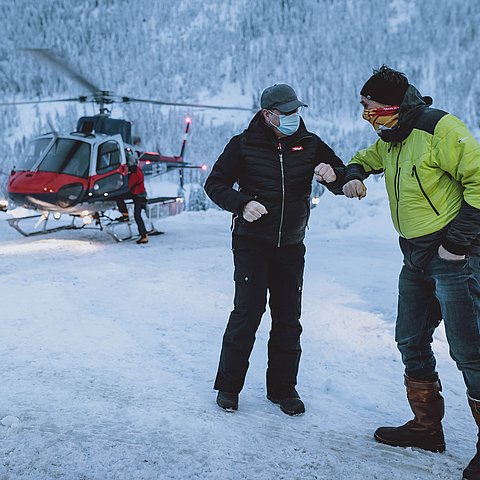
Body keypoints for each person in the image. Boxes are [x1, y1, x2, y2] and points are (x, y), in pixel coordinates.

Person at [343, 65, 480, 479]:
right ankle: (426, 427)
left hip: (456, 256)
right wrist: (353, 172)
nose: (366, 116)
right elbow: (369, 156)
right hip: (415, 257)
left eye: (369, 108)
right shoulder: (392, 137)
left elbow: (479, 182)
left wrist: (456, 245)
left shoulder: (439, 128)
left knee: (470, 351)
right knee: (410, 340)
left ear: (391, 104)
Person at [205, 84, 345, 415]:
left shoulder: (310, 145)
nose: (294, 117)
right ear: (268, 115)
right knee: (247, 313)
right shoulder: (243, 145)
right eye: (287, 113)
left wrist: (334, 174)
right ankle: (228, 387)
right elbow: (215, 184)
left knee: (288, 319)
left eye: (297, 111)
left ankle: (283, 390)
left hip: (291, 245)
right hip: (252, 244)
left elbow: (339, 176)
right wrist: (241, 204)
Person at [116, 148, 149, 244]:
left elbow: (129, 186)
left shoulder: (134, 174)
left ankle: (144, 236)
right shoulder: (137, 170)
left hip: (138, 196)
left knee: (137, 215)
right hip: (138, 194)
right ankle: (125, 215)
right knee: (136, 214)